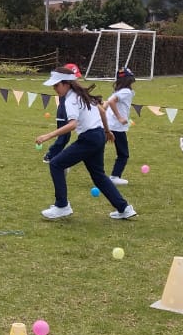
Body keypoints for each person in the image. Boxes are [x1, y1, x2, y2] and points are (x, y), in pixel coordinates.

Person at [34, 67, 137, 221]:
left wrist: (48, 135)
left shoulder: (70, 100)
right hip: (98, 135)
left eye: (56, 85)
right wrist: (107, 131)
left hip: (89, 139)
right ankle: (124, 208)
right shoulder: (82, 94)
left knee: (55, 164)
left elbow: (73, 124)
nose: (54, 89)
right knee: (99, 176)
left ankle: (62, 206)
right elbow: (102, 111)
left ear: (66, 83)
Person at [42, 63, 80, 164]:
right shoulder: (66, 93)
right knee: (63, 138)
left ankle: (55, 155)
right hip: (63, 116)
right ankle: (50, 155)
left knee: (65, 138)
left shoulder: (73, 92)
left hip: (69, 116)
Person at [104, 68, 136, 185]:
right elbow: (111, 102)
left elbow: (107, 103)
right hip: (116, 127)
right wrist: (119, 117)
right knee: (123, 154)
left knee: (92, 147)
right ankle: (115, 176)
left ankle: (67, 162)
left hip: (108, 125)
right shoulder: (125, 92)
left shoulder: (118, 92)